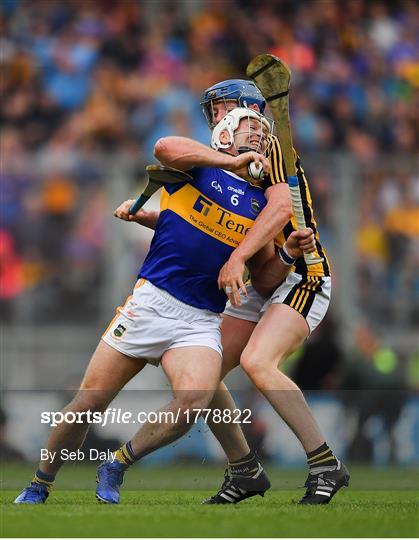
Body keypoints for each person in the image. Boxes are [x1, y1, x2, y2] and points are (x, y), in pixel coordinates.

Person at [15, 107, 313, 505]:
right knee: (88, 403)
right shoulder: (198, 168)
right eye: (248, 126)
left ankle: (118, 463)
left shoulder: (262, 205)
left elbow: (262, 278)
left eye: (262, 130)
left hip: (201, 320)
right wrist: (229, 162)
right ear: (223, 135)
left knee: (195, 398)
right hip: (151, 302)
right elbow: (164, 146)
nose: (259, 134)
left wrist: (289, 254)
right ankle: (40, 482)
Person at [124, 80, 349, 505]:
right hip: (265, 274)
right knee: (205, 374)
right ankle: (245, 469)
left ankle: (325, 463)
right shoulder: (223, 159)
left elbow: (281, 208)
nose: (215, 115)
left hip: (302, 274)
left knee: (257, 362)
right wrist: (154, 218)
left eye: (224, 106)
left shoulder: (269, 144)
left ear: (249, 111)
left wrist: (237, 260)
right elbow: (216, 223)